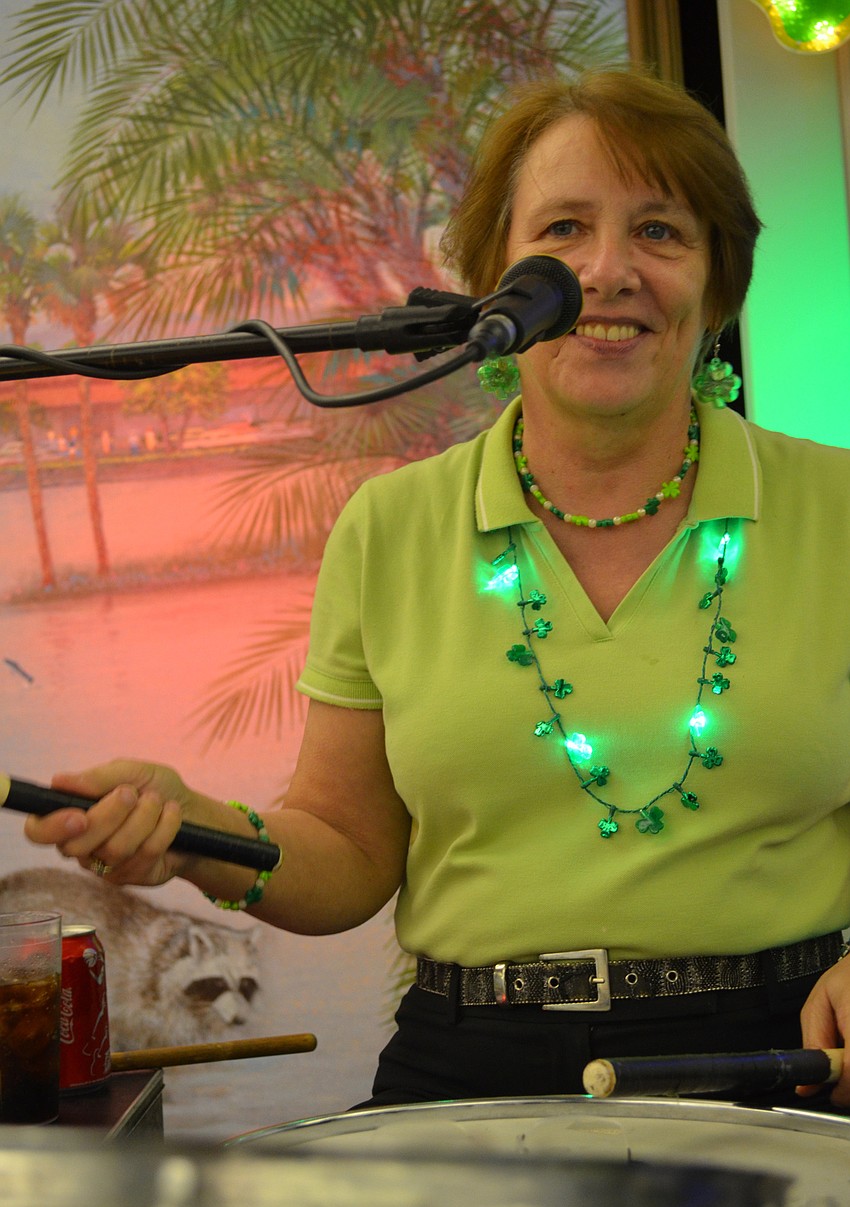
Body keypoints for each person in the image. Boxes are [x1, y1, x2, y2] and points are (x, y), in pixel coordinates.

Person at [24, 70, 850, 1109]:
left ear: (718, 283)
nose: (607, 270)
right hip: (472, 1068)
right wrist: (192, 828)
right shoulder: (392, 526)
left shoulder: (838, 508)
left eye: (659, 233)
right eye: (563, 229)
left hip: (779, 1062)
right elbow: (352, 852)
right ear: (495, 281)